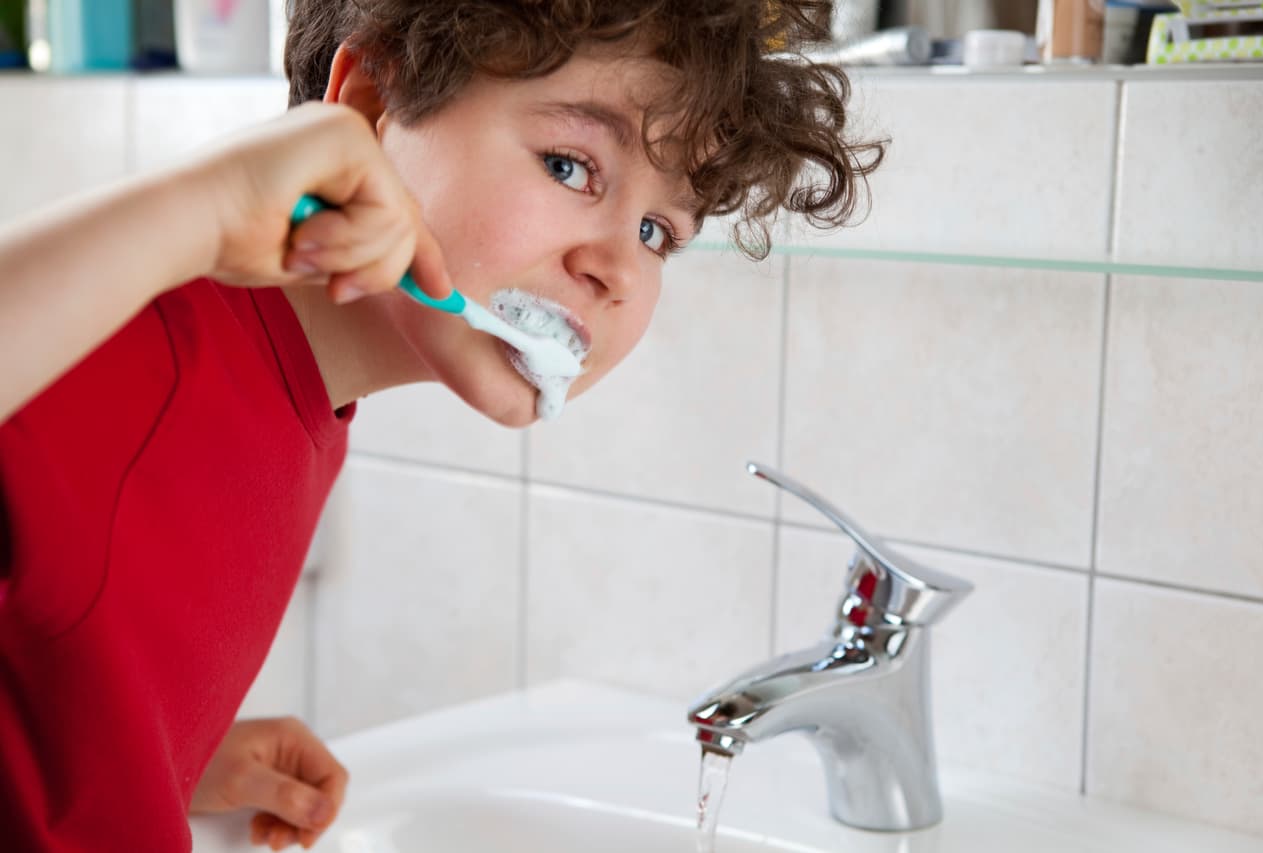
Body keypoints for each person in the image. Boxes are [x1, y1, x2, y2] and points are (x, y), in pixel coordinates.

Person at [0, 0, 883, 850]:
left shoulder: (298, 396)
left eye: (658, 230)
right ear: (369, 107)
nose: (618, 266)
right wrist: (203, 202)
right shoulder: (137, 358)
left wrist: (139, 762)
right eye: (570, 167)